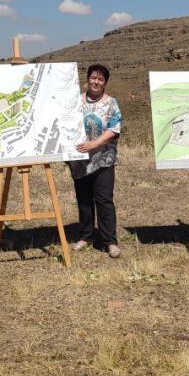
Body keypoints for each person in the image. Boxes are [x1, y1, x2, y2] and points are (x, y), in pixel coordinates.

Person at [69, 64, 123, 257]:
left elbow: (114, 128)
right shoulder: (75, 102)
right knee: (83, 200)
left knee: (104, 200)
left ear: (105, 82)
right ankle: (86, 236)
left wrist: (95, 144)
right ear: (87, 79)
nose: (96, 82)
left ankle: (110, 241)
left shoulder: (111, 103)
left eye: (100, 79)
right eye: (93, 78)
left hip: (103, 160)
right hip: (80, 160)